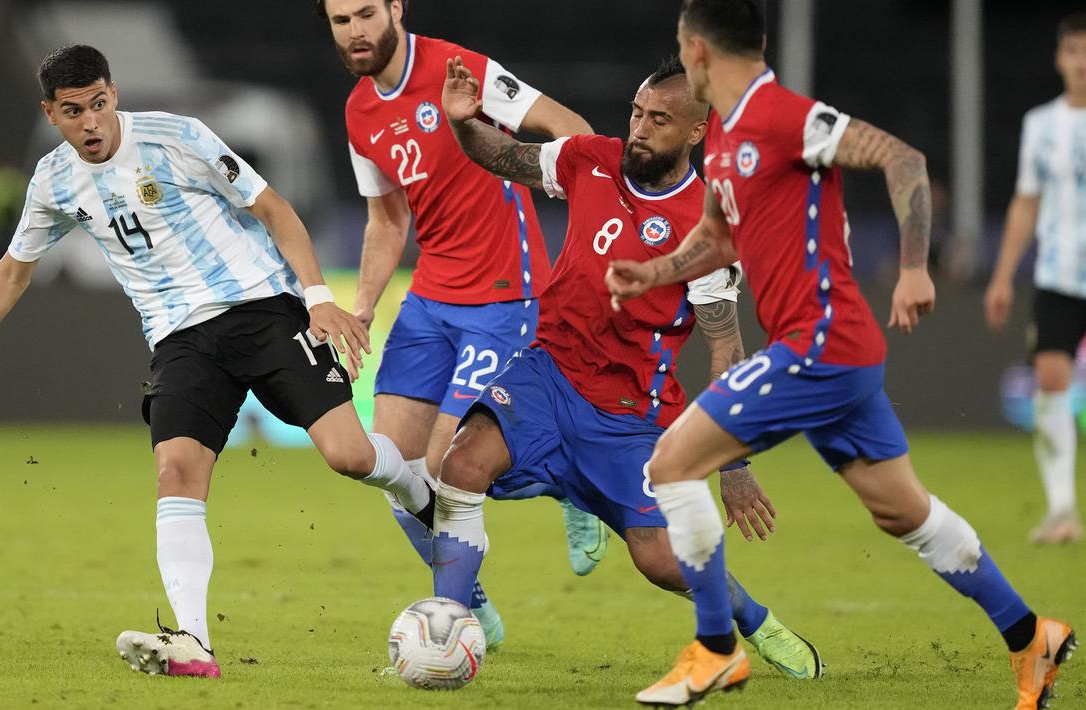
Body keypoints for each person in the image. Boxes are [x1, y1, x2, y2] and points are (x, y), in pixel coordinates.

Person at [0, 44, 437, 680]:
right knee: (175, 471)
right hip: (181, 340)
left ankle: (419, 491)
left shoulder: (179, 137)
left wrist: (316, 300)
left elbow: (274, 211)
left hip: (262, 309)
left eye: (97, 104)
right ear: (51, 113)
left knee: (351, 457)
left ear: (112, 94)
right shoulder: (53, 180)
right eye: (72, 111)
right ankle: (194, 642)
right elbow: (10, 273)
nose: (90, 122)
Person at [605, 2, 1076, 707]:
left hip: (818, 344)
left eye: (680, 45)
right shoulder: (729, 137)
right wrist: (652, 271)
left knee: (670, 464)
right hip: (834, 354)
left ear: (697, 51)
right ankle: (1029, 636)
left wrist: (915, 265)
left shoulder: (784, 115)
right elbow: (716, 239)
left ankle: (714, 650)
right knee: (904, 514)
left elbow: (900, 158)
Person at [430, 55, 822, 679]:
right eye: (637, 112)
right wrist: (462, 123)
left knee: (664, 561)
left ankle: (758, 621)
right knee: (460, 462)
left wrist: (735, 463)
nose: (639, 128)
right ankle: (445, 628)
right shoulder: (591, 158)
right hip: (549, 372)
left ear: (697, 133)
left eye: (659, 120)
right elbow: (503, 158)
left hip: (629, 411)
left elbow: (725, 349)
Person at [318, 0, 608, 647]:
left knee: (450, 463)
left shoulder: (460, 70)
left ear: (395, 8)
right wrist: (362, 306)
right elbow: (387, 220)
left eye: (366, 12)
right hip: (428, 300)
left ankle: (569, 481)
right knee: (390, 470)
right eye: (340, 21)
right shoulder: (358, 111)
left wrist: (585, 210)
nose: (356, 30)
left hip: (504, 294)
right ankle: (470, 602)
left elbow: (568, 126)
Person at [984, 12, 1086, 545]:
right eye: (1073, 51)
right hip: (1060, 275)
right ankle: (1062, 509)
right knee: (1051, 381)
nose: (1082, 62)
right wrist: (1002, 276)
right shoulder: (1041, 124)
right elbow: (1025, 204)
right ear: (1059, 58)